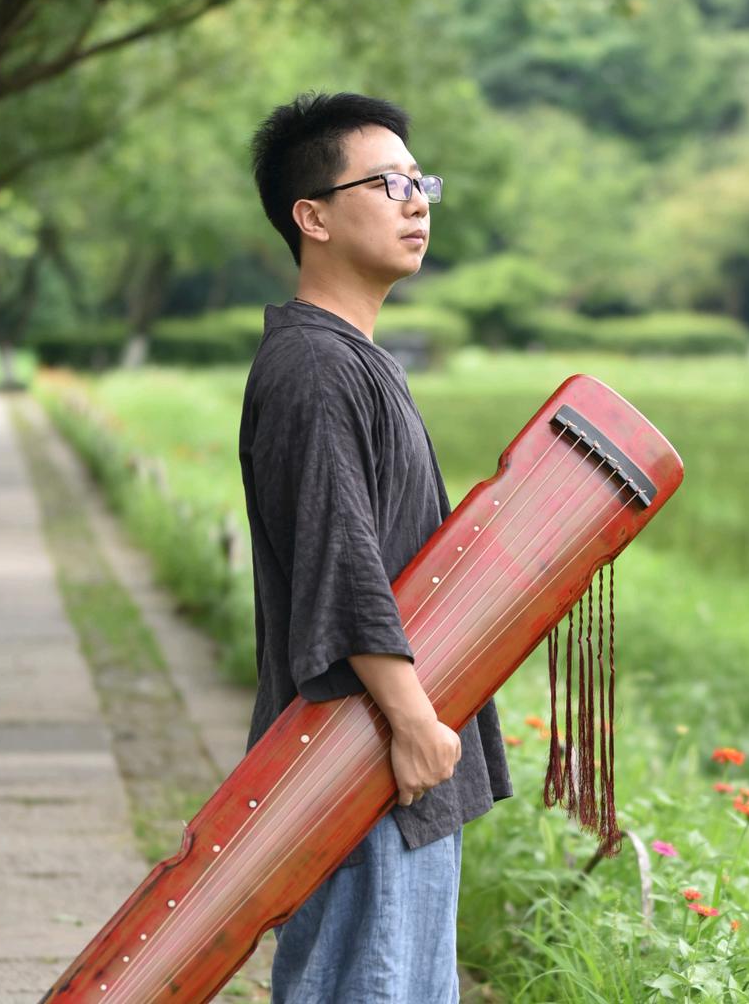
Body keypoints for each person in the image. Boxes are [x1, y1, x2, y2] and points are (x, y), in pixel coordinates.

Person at [240, 91, 512, 1003]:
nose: (416, 200)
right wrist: (412, 720)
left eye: (420, 180)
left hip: (388, 761)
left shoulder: (351, 359)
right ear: (310, 217)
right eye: (388, 182)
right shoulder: (315, 368)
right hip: (361, 764)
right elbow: (343, 563)